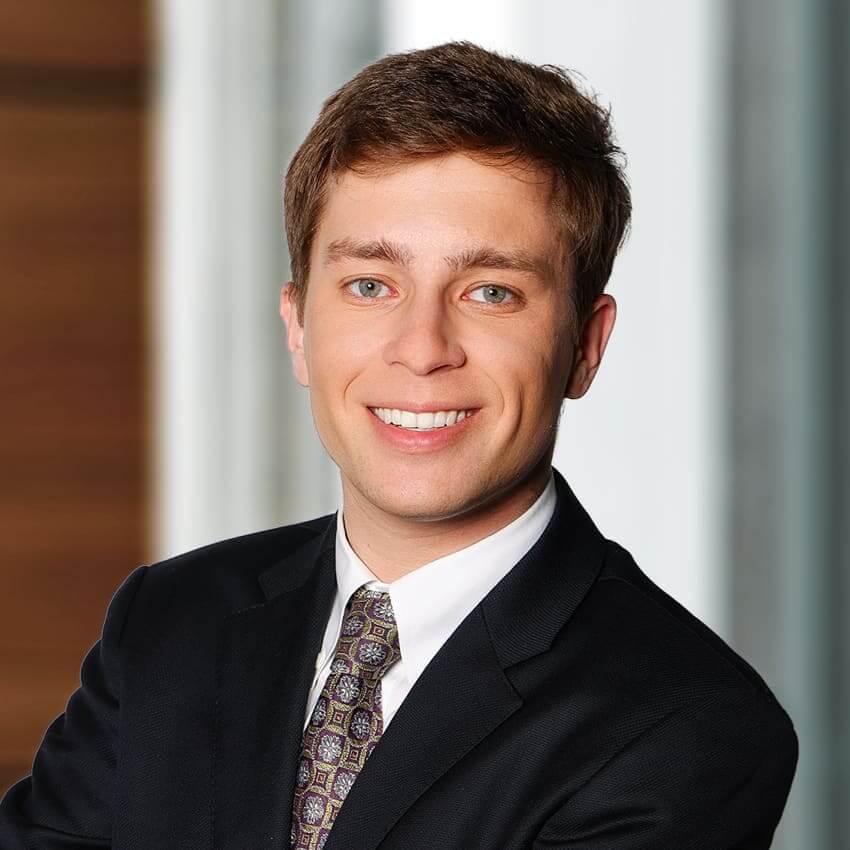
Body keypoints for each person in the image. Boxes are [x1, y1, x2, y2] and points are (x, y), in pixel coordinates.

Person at [0, 41, 797, 850]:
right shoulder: (169, 624)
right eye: (370, 286)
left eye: (492, 292)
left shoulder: (685, 725)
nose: (423, 348)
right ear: (299, 328)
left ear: (585, 348)